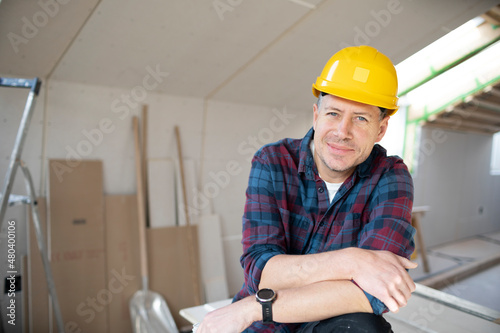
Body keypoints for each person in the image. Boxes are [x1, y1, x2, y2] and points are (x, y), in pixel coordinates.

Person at [197, 45, 417, 333]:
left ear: (381, 129)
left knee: (366, 326)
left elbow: (378, 291)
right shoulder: (273, 162)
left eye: (361, 118)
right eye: (334, 113)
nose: (342, 132)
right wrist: (352, 262)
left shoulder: (390, 176)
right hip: (266, 326)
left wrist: (255, 307)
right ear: (316, 115)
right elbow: (260, 272)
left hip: (317, 319)